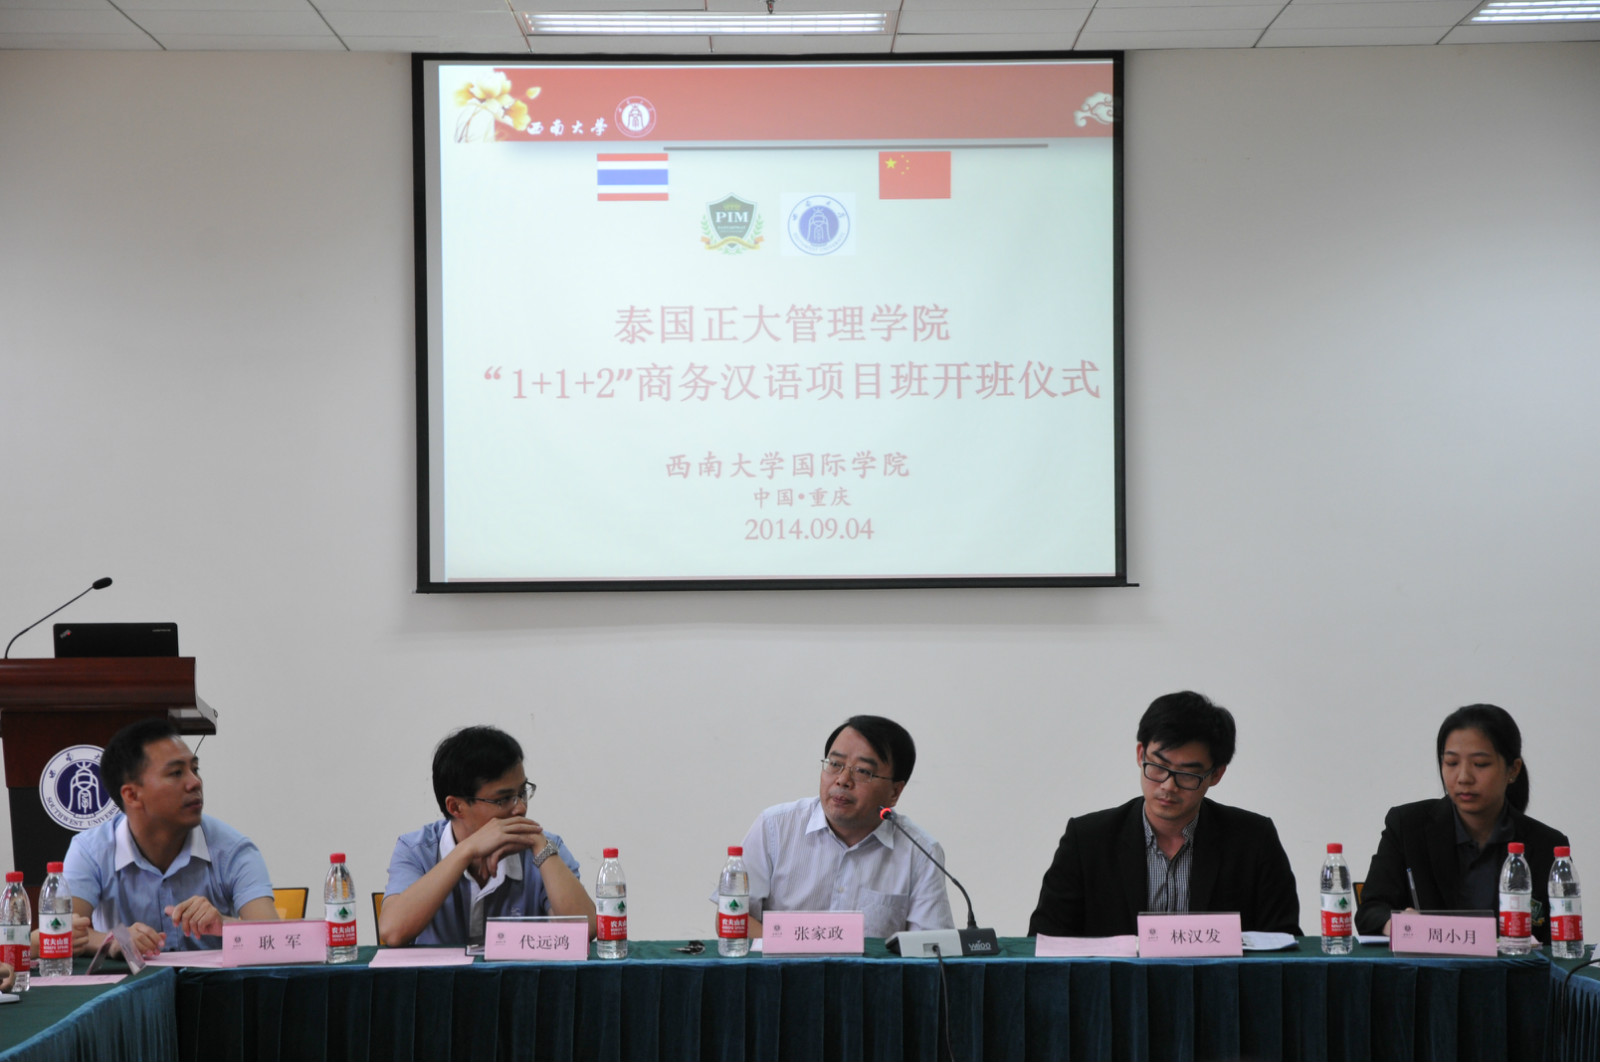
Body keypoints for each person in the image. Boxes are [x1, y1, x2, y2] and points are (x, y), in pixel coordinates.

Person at [1028, 691, 1301, 937]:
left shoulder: (1253, 841)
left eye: (1187, 774)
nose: (1168, 786)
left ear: (1216, 774)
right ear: (1140, 754)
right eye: (1158, 767)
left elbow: (1285, 944)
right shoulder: (1087, 841)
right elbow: (1043, 942)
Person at [725, 715, 954, 940]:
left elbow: (932, 945)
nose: (843, 780)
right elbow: (733, 916)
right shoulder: (774, 828)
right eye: (835, 764)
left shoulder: (921, 853)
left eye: (863, 771)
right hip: (782, 966)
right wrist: (788, 948)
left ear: (894, 792)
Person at [62, 718, 278, 956]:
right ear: (132, 795)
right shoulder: (91, 851)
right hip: (132, 981)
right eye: (176, 773)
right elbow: (62, 932)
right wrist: (116, 940)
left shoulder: (232, 849)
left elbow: (275, 939)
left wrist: (224, 924)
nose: (195, 782)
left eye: (195, 769)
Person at [1355, 703, 1569, 939]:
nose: (1464, 777)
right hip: (1427, 963)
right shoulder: (1407, 826)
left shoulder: (1547, 845)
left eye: (1480, 764)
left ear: (1513, 770)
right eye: (1452, 763)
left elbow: (1558, 938)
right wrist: (1398, 924)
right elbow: (1370, 911)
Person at [381, 726, 595, 947]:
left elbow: (585, 930)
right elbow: (393, 932)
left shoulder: (545, 848)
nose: (520, 808)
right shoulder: (416, 850)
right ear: (456, 807)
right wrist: (467, 851)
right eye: (503, 799)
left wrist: (540, 845)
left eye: (522, 792)